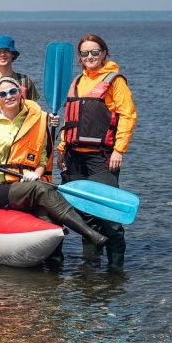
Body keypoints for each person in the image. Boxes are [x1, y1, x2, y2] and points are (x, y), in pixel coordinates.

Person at [0, 77, 107, 252]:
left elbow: (42, 160)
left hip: (23, 184)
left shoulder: (36, 121)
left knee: (49, 216)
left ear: (20, 94)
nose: (9, 96)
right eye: (3, 94)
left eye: (13, 91)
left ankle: (55, 262)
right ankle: (90, 234)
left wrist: (37, 173)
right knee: (40, 189)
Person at [59, 33, 137, 272]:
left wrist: (119, 150)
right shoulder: (77, 81)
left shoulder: (115, 81)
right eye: (85, 53)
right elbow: (70, 120)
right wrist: (62, 149)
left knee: (109, 215)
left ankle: (115, 269)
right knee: (85, 216)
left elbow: (128, 115)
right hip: (74, 157)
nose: (90, 57)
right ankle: (90, 266)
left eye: (95, 52)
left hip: (101, 157)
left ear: (104, 53)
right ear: (80, 57)